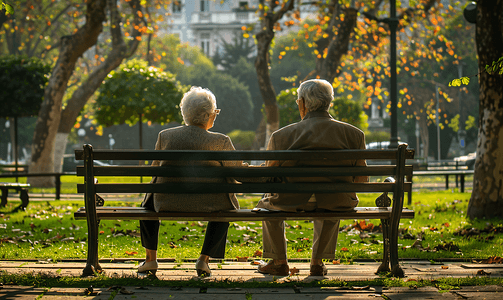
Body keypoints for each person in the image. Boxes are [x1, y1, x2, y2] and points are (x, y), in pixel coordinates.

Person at [255, 79, 368, 276]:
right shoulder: (354, 134)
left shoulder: (282, 136)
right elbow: (361, 180)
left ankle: (279, 260)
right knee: (336, 195)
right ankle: (317, 262)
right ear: (329, 103)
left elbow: (268, 175)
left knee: (267, 203)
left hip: (290, 201)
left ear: (303, 103)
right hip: (335, 200)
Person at [137, 86, 244, 277]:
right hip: (211, 204)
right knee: (226, 209)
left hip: (166, 202)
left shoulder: (165, 136)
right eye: (215, 112)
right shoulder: (221, 141)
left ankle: (150, 259)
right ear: (207, 115)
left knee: (148, 203)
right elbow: (238, 172)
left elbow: (154, 170)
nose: (215, 116)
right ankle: (203, 260)